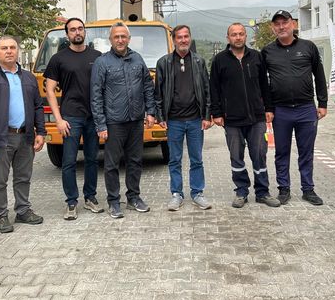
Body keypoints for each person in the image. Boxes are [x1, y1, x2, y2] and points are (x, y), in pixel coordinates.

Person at [0, 36, 45, 233]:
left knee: (23, 177)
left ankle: (23, 210)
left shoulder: (28, 78)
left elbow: (38, 106)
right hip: (0, 138)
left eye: (12, 47)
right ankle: (0, 216)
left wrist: (42, 132)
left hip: (25, 137)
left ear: (18, 51)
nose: (9, 51)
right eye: (4, 48)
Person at [210, 23, 281, 209]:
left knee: (259, 155)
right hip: (232, 119)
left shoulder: (256, 57)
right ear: (228, 38)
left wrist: (269, 108)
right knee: (236, 156)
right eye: (234, 34)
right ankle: (241, 191)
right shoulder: (219, 60)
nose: (238, 37)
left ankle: (263, 192)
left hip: (257, 117)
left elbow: (265, 85)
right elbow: (214, 89)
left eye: (241, 34)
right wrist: (216, 113)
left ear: (246, 36)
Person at [261, 10, 328, 206]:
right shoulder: (267, 51)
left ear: (293, 24)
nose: (281, 27)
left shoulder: (309, 47)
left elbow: (320, 75)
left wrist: (322, 103)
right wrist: (268, 107)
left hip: (306, 108)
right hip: (280, 110)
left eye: (285, 22)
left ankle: (308, 189)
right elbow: (263, 83)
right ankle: (284, 189)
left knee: (306, 151)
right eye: (277, 24)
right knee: (281, 152)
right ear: (273, 28)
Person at [90, 21, 156, 219]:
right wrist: (100, 124)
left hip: (136, 120)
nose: (120, 40)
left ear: (128, 39)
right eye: (116, 37)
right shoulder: (102, 63)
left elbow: (147, 86)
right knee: (111, 164)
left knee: (135, 161)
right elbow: (96, 95)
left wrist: (150, 111)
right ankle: (113, 201)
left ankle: (134, 198)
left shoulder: (137, 59)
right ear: (111, 39)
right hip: (113, 122)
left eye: (123, 36)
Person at [44, 18, 104, 221]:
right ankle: (71, 202)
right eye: (72, 30)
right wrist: (58, 119)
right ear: (67, 34)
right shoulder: (58, 59)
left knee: (92, 160)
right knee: (69, 161)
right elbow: (50, 91)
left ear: (85, 31)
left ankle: (91, 198)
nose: (77, 32)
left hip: (93, 117)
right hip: (70, 117)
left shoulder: (98, 57)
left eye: (80, 29)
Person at [154, 25, 213, 211]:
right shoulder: (163, 63)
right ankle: (176, 194)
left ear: (190, 38)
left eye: (186, 36)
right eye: (179, 37)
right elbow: (158, 93)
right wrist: (160, 116)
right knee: (174, 159)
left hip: (196, 120)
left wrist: (206, 115)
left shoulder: (199, 61)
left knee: (196, 159)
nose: (183, 40)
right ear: (173, 39)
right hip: (174, 120)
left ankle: (197, 193)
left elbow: (206, 90)